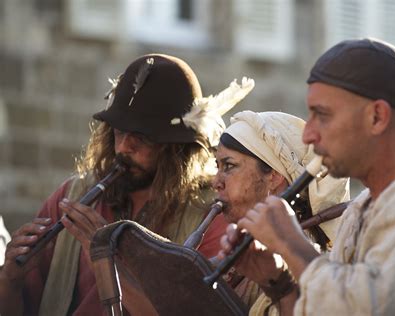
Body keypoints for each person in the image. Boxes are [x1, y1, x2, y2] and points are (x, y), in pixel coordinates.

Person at [220, 38, 395, 315]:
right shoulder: (363, 207)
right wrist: (279, 281)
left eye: (323, 115)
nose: (308, 134)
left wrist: (292, 244)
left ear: (377, 117)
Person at [0, 54, 254, 315]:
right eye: (118, 132)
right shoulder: (72, 195)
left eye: (140, 138)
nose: (122, 147)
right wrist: (11, 279)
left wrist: (105, 256)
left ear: (177, 149)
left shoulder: (211, 218)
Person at [207, 110, 349, 308]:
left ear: (273, 176)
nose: (216, 182)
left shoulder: (296, 265)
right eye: (217, 166)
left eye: (229, 166)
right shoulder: (250, 250)